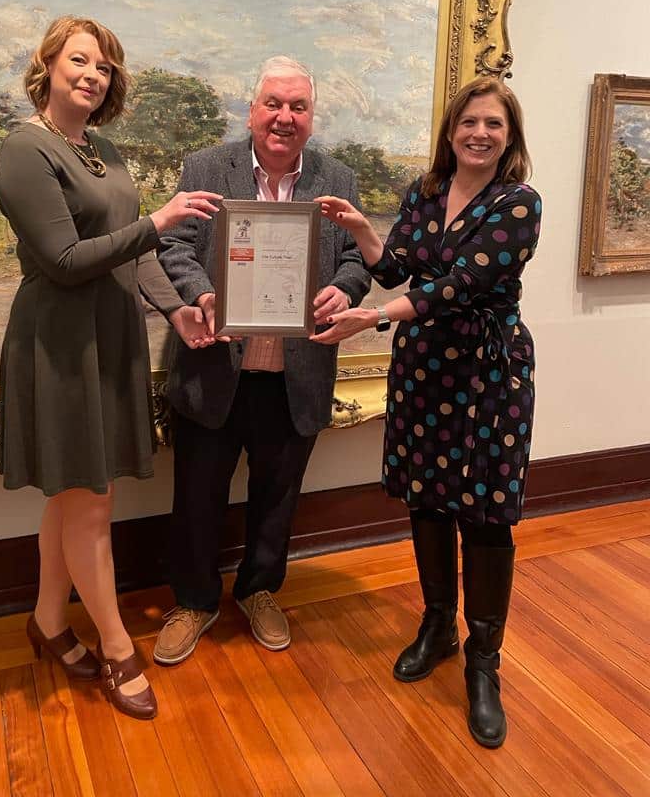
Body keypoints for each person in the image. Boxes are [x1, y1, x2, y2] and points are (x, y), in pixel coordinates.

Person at [0, 16, 220, 719]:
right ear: (49, 66)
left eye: (105, 67)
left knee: (72, 495)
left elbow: (137, 252)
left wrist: (178, 310)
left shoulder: (101, 150)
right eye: (81, 61)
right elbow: (64, 262)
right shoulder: (25, 151)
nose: (93, 75)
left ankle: (49, 621)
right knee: (90, 501)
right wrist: (158, 219)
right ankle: (119, 648)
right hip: (59, 345)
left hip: (110, 336)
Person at [311, 76, 541, 748]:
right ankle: (438, 625)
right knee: (429, 500)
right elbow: (399, 267)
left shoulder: (519, 204)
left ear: (509, 136)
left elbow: (463, 283)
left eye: (493, 124)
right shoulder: (426, 191)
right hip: (425, 366)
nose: (479, 133)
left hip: (489, 370)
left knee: (487, 512)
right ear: (451, 131)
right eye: (469, 121)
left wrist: (373, 318)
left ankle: (483, 661)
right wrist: (361, 230)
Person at [153, 56, 371, 665]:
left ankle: (259, 590)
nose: (284, 117)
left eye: (297, 107)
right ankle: (194, 601)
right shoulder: (205, 168)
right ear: (252, 111)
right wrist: (202, 292)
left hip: (293, 376)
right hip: (215, 369)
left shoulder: (339, 178)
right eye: (273, 104)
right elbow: (172, 247)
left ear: (311, 116)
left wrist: (345, 290)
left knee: (279, 496)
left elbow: (358, 259)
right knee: (197, 496)